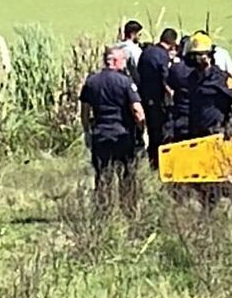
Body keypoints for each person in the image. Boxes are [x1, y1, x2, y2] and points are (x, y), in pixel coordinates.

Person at [79, 45, 145, 211]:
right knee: (127, 175)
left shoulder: (91, 81)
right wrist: (142, 130)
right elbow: (137, 110)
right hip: (123, 135)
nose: (125, 64)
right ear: (116, 61)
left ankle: (103, 211)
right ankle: (128, 209)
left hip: (100, 135)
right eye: (123, 60)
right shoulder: (125, 82)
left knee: (102, 175)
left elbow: (85, 111)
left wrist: (87, 131)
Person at [137, 27, 179, 170]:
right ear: (172, 43)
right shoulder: (163, 56)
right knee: (163, 133)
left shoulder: (146, 53)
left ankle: (152, 163)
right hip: (159, 100)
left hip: (145, 98)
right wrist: (172, 94)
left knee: (152, 133)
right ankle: (163, 165)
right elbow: (165, 78)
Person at [186, 32, 232, 137]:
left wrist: (228, 128)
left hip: (217, 133)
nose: (196, 59)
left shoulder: (222, 79)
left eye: (199, 55)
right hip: (197, 133)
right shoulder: (192, 78)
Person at [165, 36, 195, 143]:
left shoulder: (177, 69)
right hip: (198, 116)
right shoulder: (201, 70)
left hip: (180, 113)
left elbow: (168, 84)